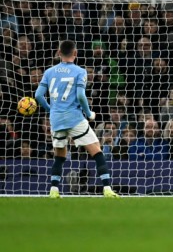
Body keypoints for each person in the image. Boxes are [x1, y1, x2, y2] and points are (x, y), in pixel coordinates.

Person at [34, 40, 119, 198]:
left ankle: (53, 190)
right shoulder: (80, 71)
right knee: (97, 152)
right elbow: (80, 95)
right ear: (75, 53)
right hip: (74, 118)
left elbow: (38, 95)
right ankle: (107, 189)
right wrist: (89, 113)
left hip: (56, 120)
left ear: (59, 53)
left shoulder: (49, 72)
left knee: (59, 156)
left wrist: (50, 109)